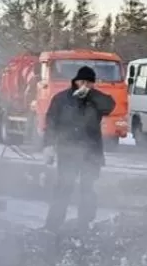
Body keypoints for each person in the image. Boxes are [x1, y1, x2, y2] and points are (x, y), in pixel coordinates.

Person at [41, 65, 115, 232]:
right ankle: (52, 225)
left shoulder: (96, 100)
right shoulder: (61, 99)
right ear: (75, 81)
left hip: (91, 153)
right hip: (67, 151)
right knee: (63, 187)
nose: (85, 85)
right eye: (82, 82)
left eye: (89, 83)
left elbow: (110, 106)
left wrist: (91, 94)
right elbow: (51, 122)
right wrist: (48, 145)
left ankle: (84, 224)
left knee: (87, 189)